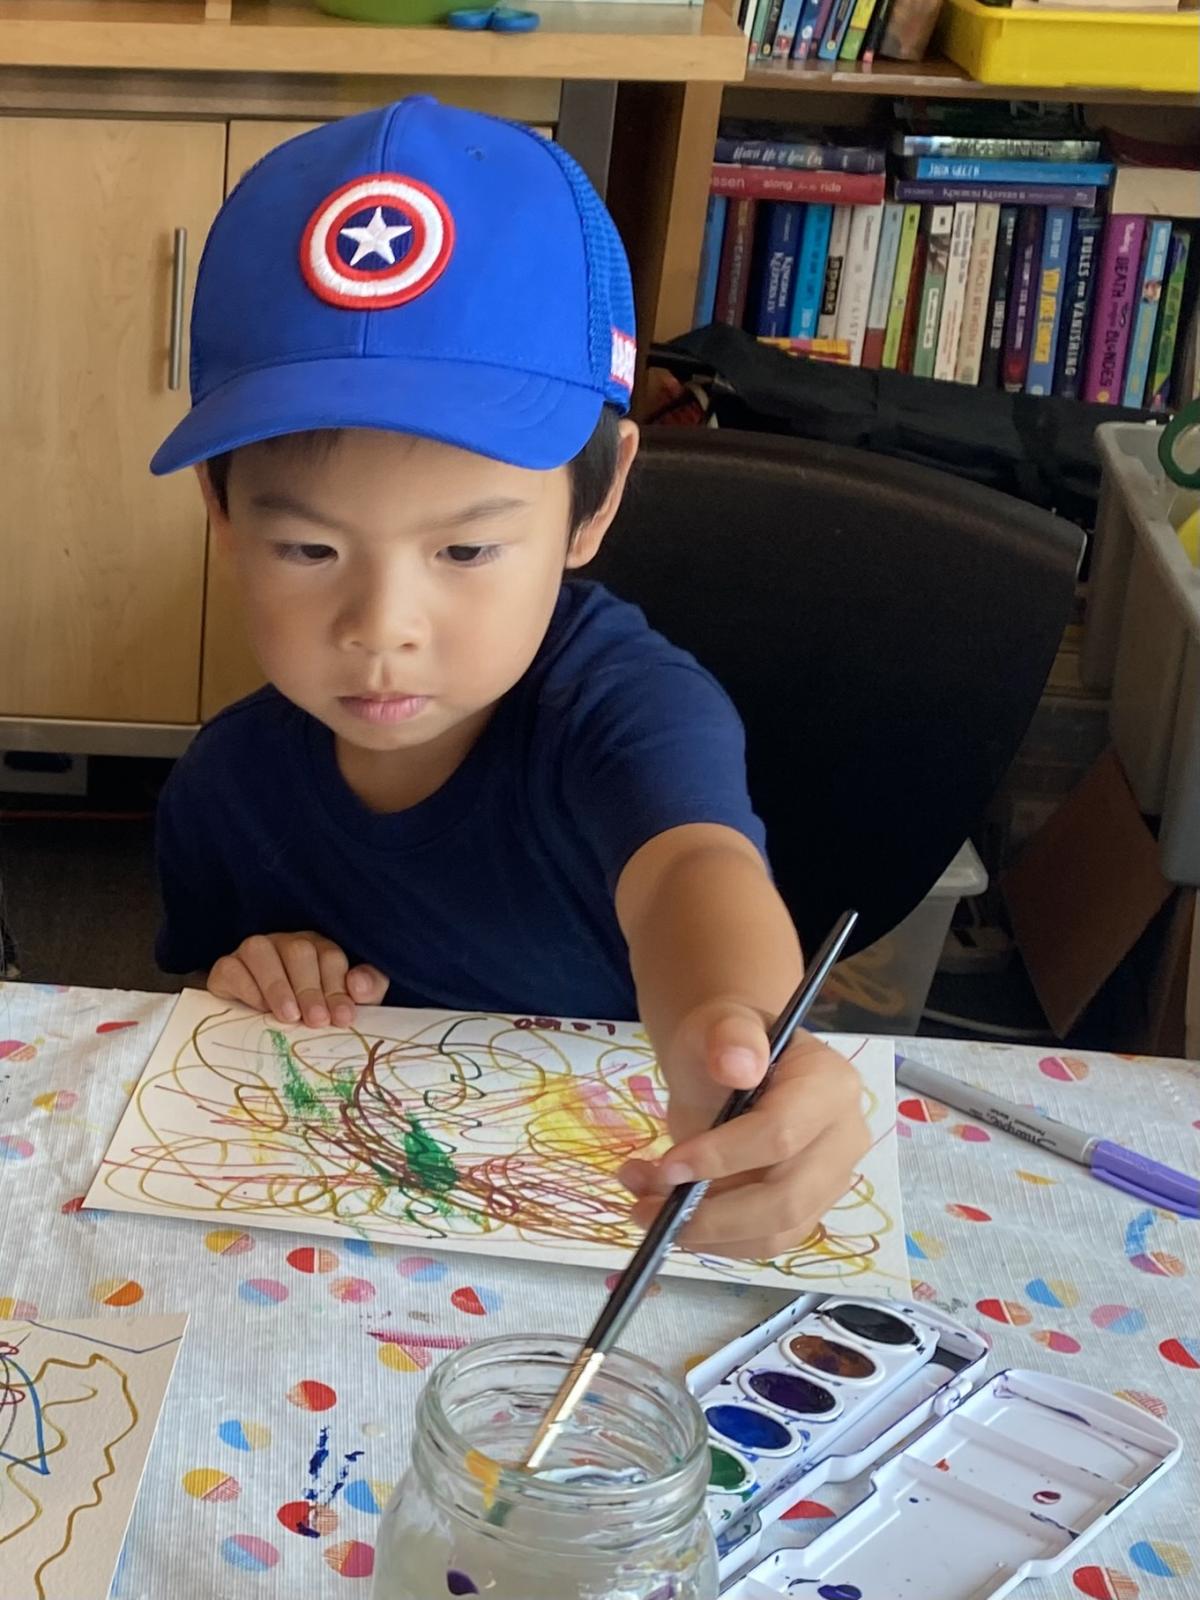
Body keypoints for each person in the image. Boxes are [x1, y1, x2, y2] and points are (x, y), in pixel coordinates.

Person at [151, 96, 869, 1262]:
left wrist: (731, 1034)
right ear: (221, 517)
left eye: (467, 550)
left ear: (599, 499)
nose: (382, 630)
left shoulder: (627, 709)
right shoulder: (224, 784)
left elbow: (693, 865)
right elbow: (209, 997)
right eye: (308, 550)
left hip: (613, 1219)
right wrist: (252, 983)